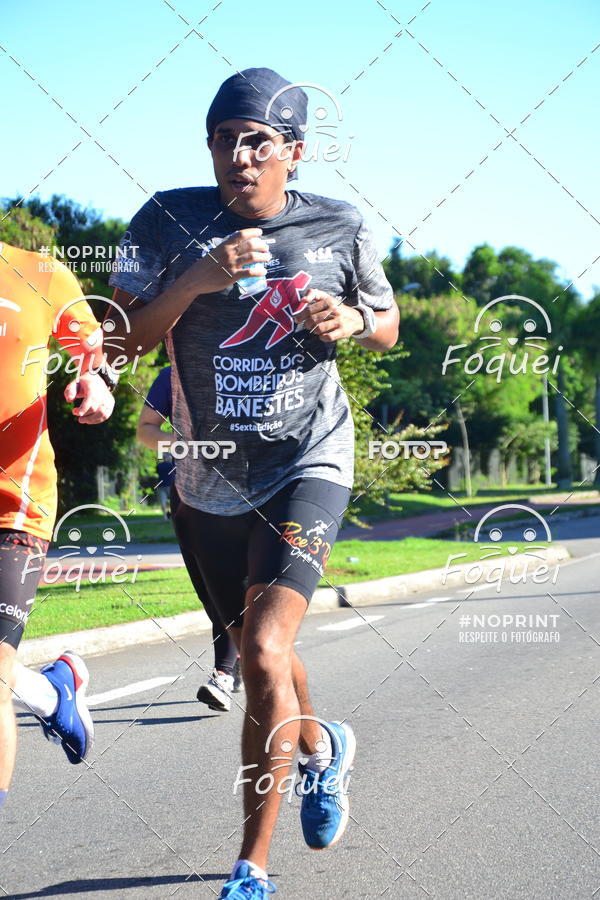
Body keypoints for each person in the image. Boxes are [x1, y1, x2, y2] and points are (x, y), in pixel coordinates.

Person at [109, 67, 398, 899]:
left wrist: (353, 322)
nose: (239, 155)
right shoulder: (165, 220)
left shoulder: (338, 225)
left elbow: (387, 323)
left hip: (310, 456)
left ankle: (250, 868)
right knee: (258, 646)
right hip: (208, 476)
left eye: (258, 141)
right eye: (224, 139)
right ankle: (319, 750)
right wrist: (195, 280)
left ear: (294, 153)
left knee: (265, 649)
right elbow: (120, 342)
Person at [0, 240, 116, 810]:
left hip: (13, 503)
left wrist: (96, 383)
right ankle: (54, 693)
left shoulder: (39, 272)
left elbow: (92, 355)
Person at [137, 365, 243, 711]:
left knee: (234, 588)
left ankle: (225, 673)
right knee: (210, 592)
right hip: (188, 494)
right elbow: (146, 430)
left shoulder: (248, 365)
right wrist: (185, 445)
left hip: (246, 492)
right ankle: (241, 660)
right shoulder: (172, 375)